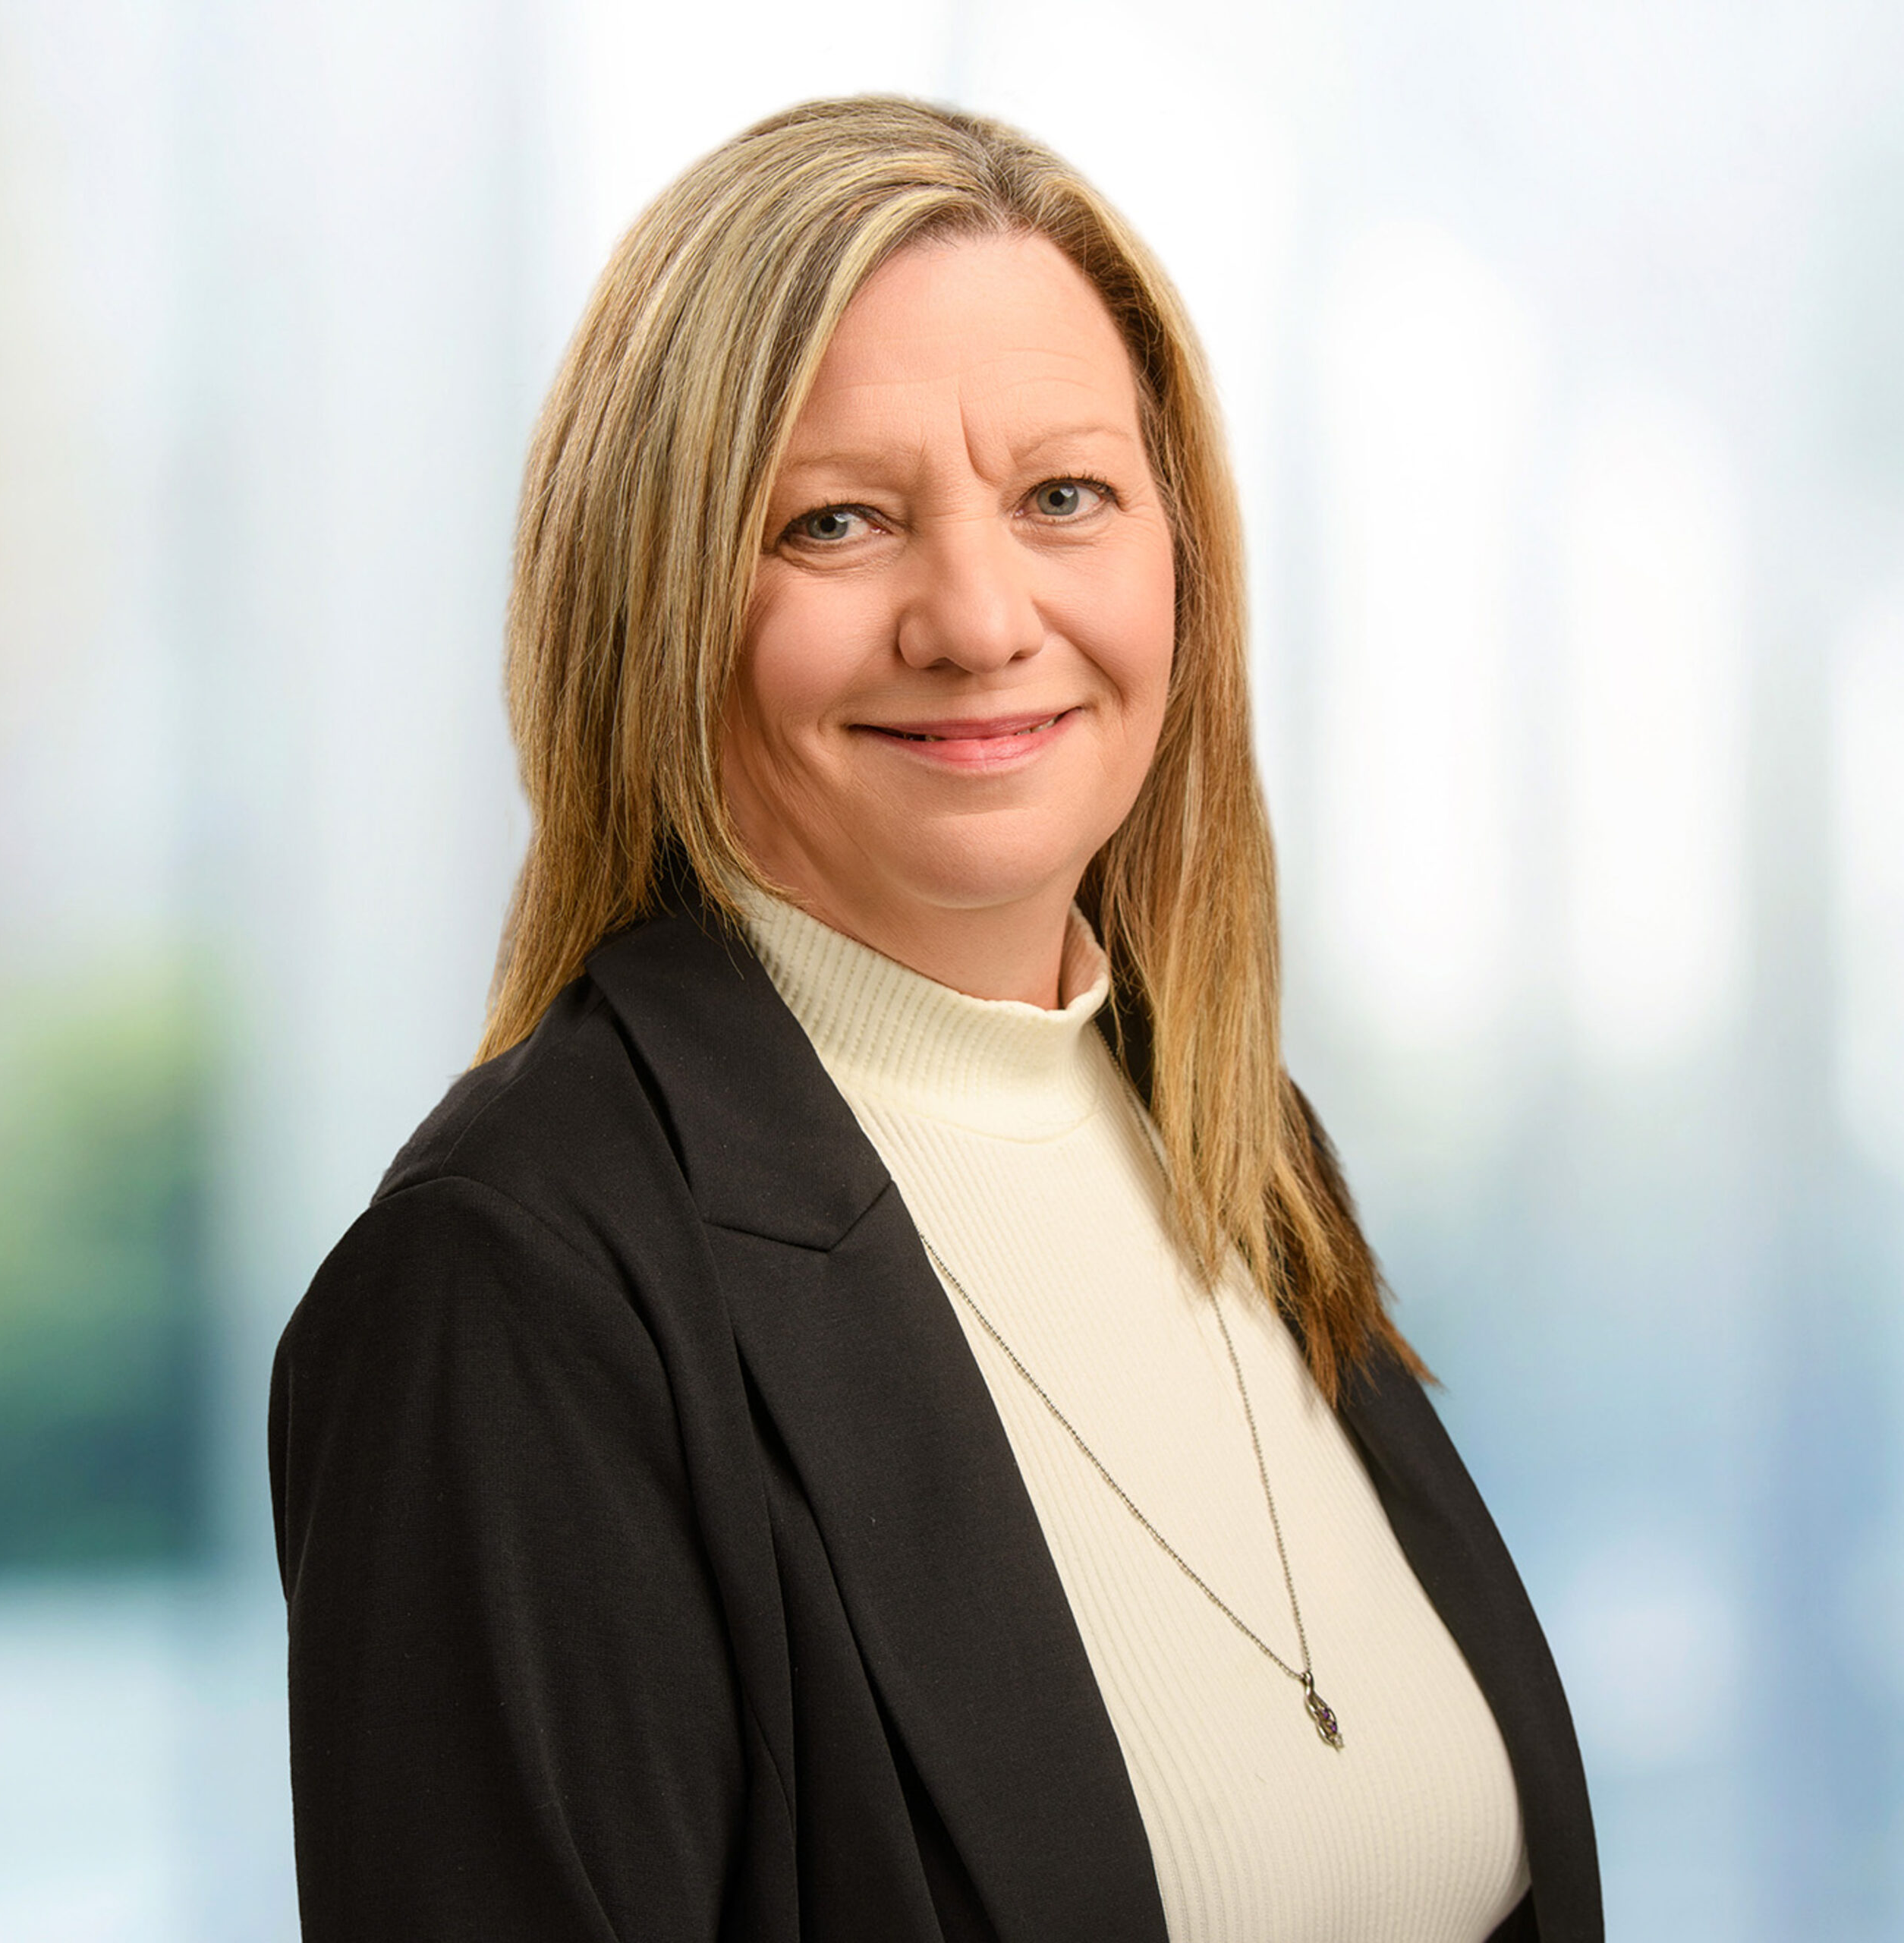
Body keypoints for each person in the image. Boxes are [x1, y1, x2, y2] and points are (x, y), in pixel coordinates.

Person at [269, 96, 1600, 1943]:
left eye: (1063, 495)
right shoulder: (513, 1287)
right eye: (835, 522)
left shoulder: (1229, 1138)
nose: (978, 618)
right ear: (652, 603)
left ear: (1177, 564)